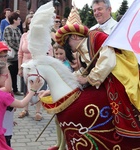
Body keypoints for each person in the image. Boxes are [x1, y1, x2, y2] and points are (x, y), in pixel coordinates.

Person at [55, 5, 140, 149]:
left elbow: (108, 60)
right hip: (104, 76)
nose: (67, 47)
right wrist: (66, 81)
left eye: (67, 42)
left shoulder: (97, 36)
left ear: (75, 36)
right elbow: (84, 71)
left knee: (121, 95)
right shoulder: (82, 49)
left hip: (118, 74)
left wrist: (88, 79)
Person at [0, 59, 41, 150]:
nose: (6, 78)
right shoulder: (3, 96)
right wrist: (33, 90)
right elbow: (22, 103)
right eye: (6, 75)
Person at [18, 14, 43, 121]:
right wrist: (20, 68)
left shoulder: (42, 36)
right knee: (25, 89)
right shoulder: (24, 36)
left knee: (39, 88)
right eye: (29, 23)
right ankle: (25, 109)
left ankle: (38, 112)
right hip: (26, 67)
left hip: (38, 67)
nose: (31, 25)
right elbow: (20, 53)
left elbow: (49, 51)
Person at [0, 41, 15, 147]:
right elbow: (7, 88)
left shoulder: (2, 67)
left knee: (7, 138)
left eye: (5, 56)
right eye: (0, 56)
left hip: (5, 109)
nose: (4, 58)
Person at [3, 12, 22, 95]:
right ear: (14, 20)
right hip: (11, 56)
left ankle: (15, 89)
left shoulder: (17, 29)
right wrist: (20, 49)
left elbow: (21, 41)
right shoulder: (8, 29)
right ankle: (10, 89)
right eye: (18, 19)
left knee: (15, 73)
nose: (20, 20)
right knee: (11, 73)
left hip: (17, 55)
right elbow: (10, 42)